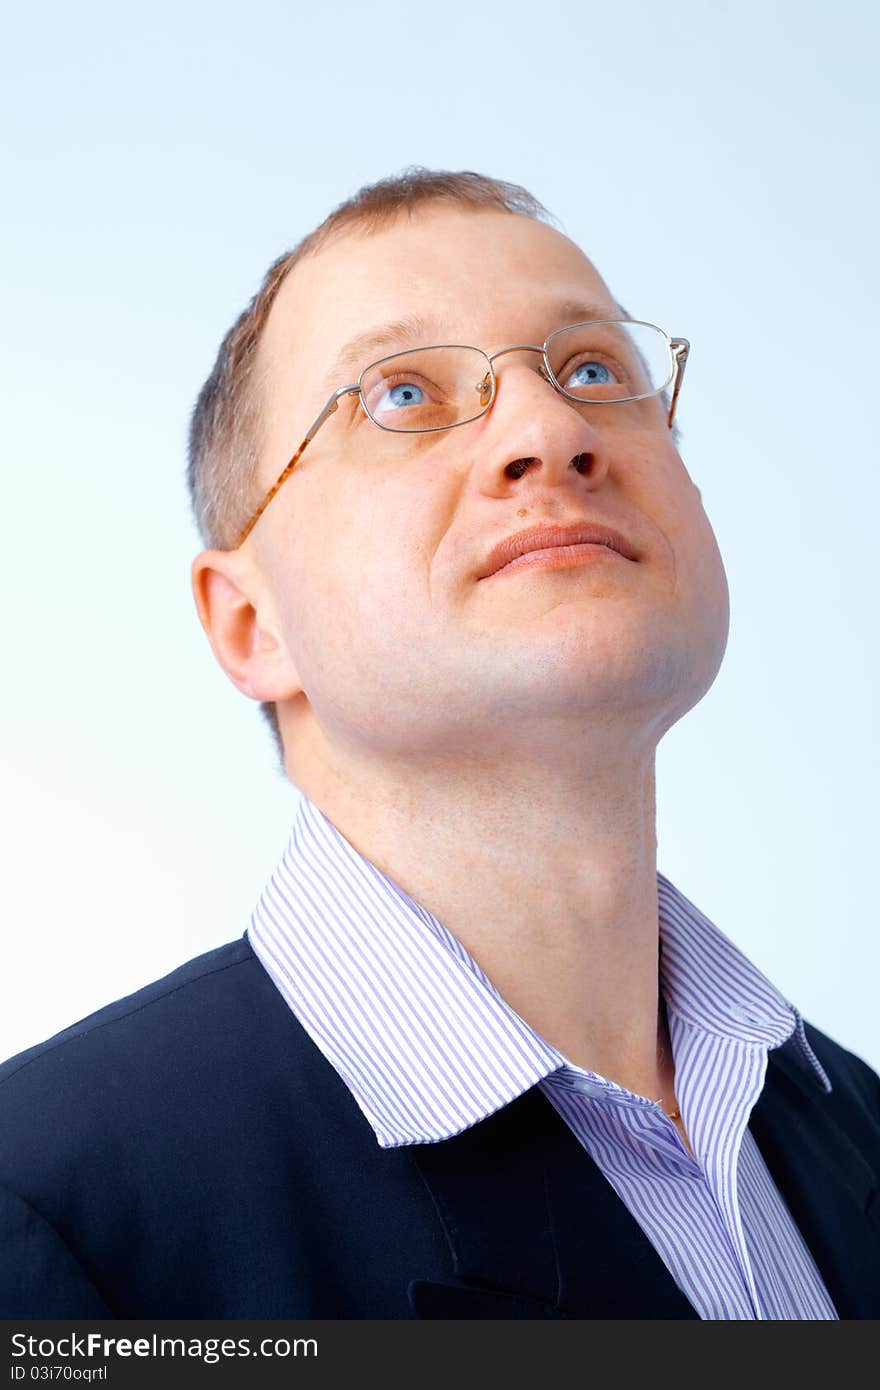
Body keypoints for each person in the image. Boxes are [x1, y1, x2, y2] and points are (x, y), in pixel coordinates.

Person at [2, 168, 878, 1321]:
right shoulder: (49, 1203)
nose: (550, 429)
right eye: (401, 396)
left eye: (593, 369)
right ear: (251, 625)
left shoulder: (857, 1123)